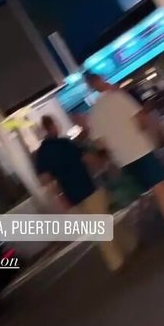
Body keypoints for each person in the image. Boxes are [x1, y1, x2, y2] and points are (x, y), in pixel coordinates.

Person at [85, 73, 164, 241]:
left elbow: (99, 143)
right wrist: (150, 134)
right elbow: (141, 120)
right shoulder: (119, 97)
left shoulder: (94, 113)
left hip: (123, 159)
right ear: (101, 81)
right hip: (139, 149)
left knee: (154, 189)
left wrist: (115, 146)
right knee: (161, 187)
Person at [35, 115, 136, 272]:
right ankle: (118, 260)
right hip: (87, 187)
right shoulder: (65, 143)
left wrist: (60, 198)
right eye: (56, 124)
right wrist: (104, 164)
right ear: (52, 126)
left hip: (71, 196)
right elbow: (86, 158)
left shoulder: (41, 154)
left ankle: (129, 245)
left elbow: (46, 180)